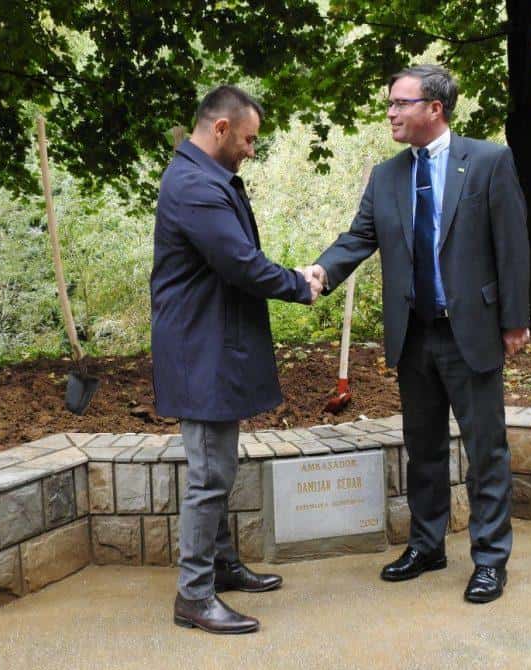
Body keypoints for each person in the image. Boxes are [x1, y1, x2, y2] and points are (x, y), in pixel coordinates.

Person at [302, 65, 530, 603]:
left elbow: (512, 244)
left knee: (485, 451)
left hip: (471, 331)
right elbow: (358, 237)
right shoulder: (386, 176)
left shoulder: (489, 161)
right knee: (423, 450)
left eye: (400, 103)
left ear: (435, 108)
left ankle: (490, 560)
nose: (390, 113)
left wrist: (515, 319)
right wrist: (320, 272)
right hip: (414, 335)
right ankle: (427, 546)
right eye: (389, 103)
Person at [151, 85, 322, 634]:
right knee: (209, 474)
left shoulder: (204, 177)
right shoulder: (195, 185)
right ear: (220, 129)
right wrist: (299, 284)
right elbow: (240, 262)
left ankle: (221, 566)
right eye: (248, 139)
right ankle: (193, 596)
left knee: (219, 469)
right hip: (199, 351)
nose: (252, 149)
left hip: (210, 344)